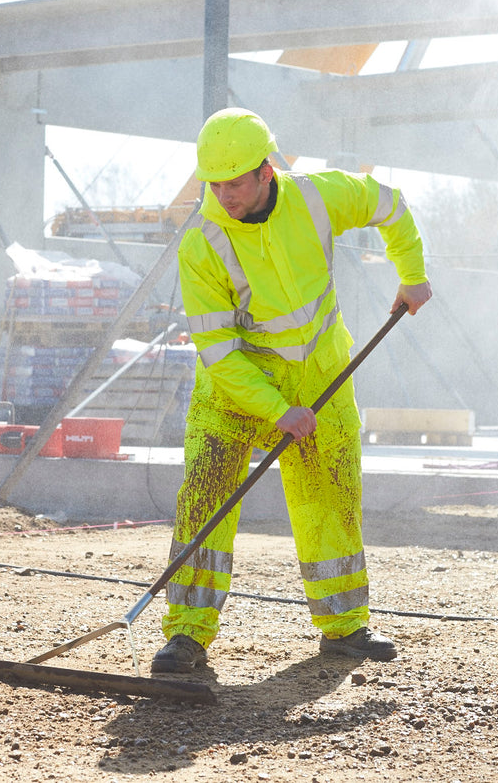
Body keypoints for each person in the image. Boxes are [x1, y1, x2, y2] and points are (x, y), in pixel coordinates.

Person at [151, 108, 432, 674]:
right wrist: (279, 411)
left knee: (330, 493)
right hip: (235, 390)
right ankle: (186, 636)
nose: (224, 195)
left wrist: (412, 271)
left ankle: (344, 627)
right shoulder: (200, 244)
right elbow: (221, 352)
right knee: (205, 499)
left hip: (320, 376)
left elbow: (391, 206)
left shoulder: (318, 196)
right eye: (215, 183)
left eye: (235, 182)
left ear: (266, 171)